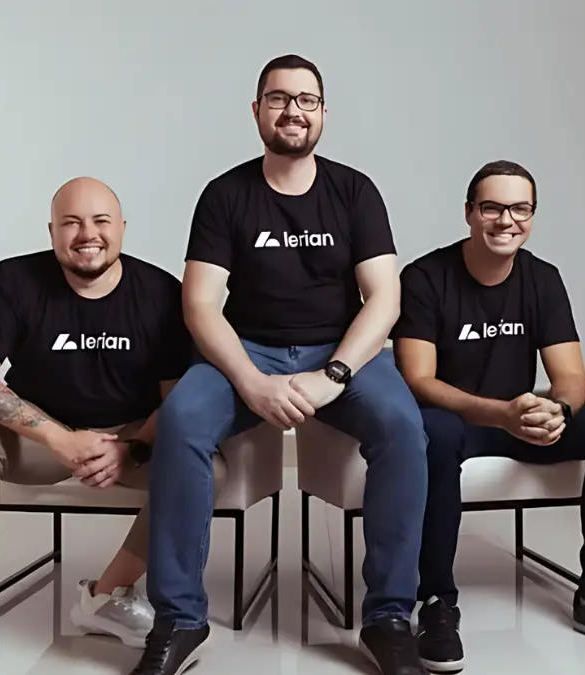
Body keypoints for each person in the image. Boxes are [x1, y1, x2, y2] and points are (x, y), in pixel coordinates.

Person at [129, 55, 430, 675]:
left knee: (404, 429)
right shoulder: (225, 194)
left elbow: (385, 298)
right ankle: (179, 617)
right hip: (249, 349)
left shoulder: (354, 191)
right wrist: (250, 381)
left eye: (306, 100)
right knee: (182, 419)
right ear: (257, 110)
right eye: (278, 98)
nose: (293, 110)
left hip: (340, 350)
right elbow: (201, 303)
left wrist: (335, 375)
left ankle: (390, 617)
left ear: (322, 113)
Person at [391, 160, 585, 672]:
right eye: (493, 208)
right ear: (470, 213)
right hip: (458, 421)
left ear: (532, 216)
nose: (506, 221)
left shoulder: (542, 278)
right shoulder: (426, 277)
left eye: (520, 209)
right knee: (431, 432)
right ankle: (435, 603)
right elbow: (419, 380)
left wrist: (556, 409)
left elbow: (571, 377)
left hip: (518, 419)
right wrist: (500, 413)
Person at [0, 177, 194, 675]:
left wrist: (130, 448)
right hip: (40, 436)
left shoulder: (159, 292)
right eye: (71, 222)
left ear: (123, 230)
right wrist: (59, 439)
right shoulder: (12, 280)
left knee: (203, 466)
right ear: (52, 231)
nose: (86, 233)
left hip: (126, 437)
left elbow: (178, 399)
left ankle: (105, 598)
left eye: (100, 221)